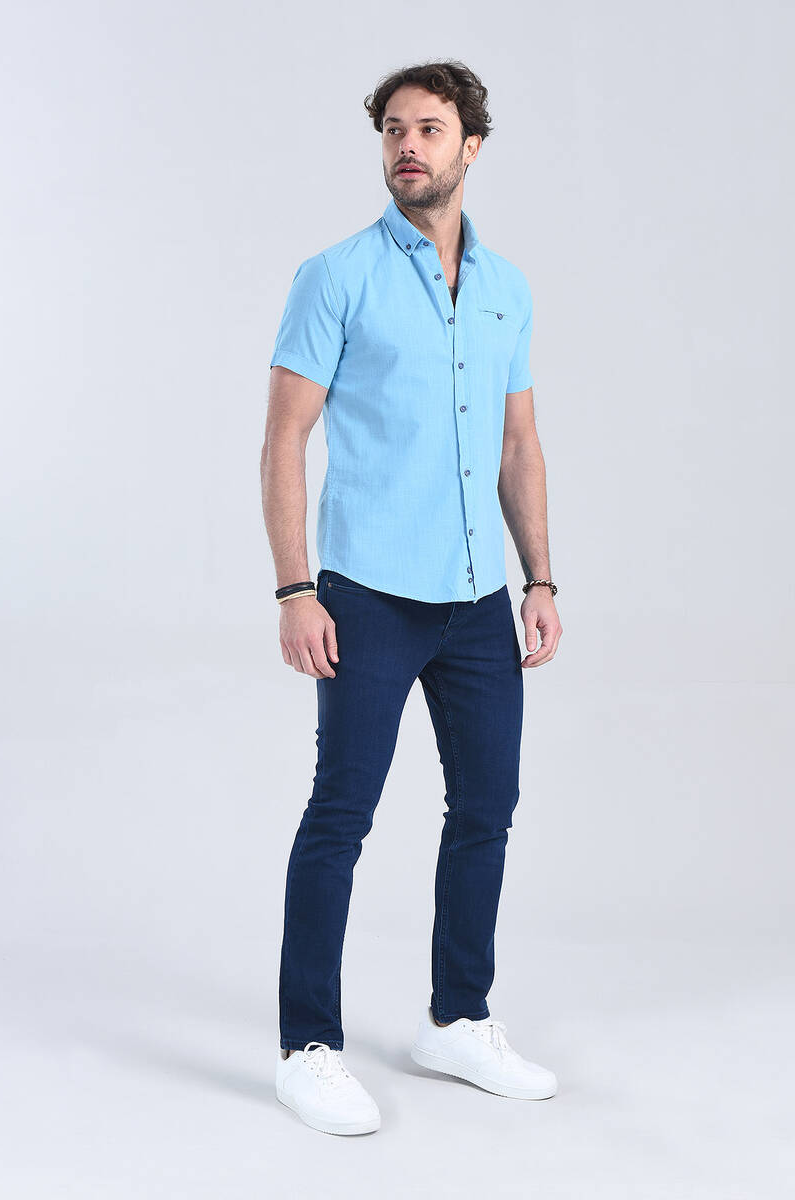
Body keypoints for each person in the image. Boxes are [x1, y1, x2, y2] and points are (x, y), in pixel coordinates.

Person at [261, 59, 562, 1137]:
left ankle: (457, 1018)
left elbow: (517, 444)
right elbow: (284, 439)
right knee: (341, 812)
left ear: (470, 146)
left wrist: (539, 577)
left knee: (486, 808)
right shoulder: (334, 276)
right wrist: (296, 589)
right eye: (393, 129)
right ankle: (307, 1045)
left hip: (478, 598)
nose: (407, 146)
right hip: (368, 595)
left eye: (429, 129)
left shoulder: (506, 287)